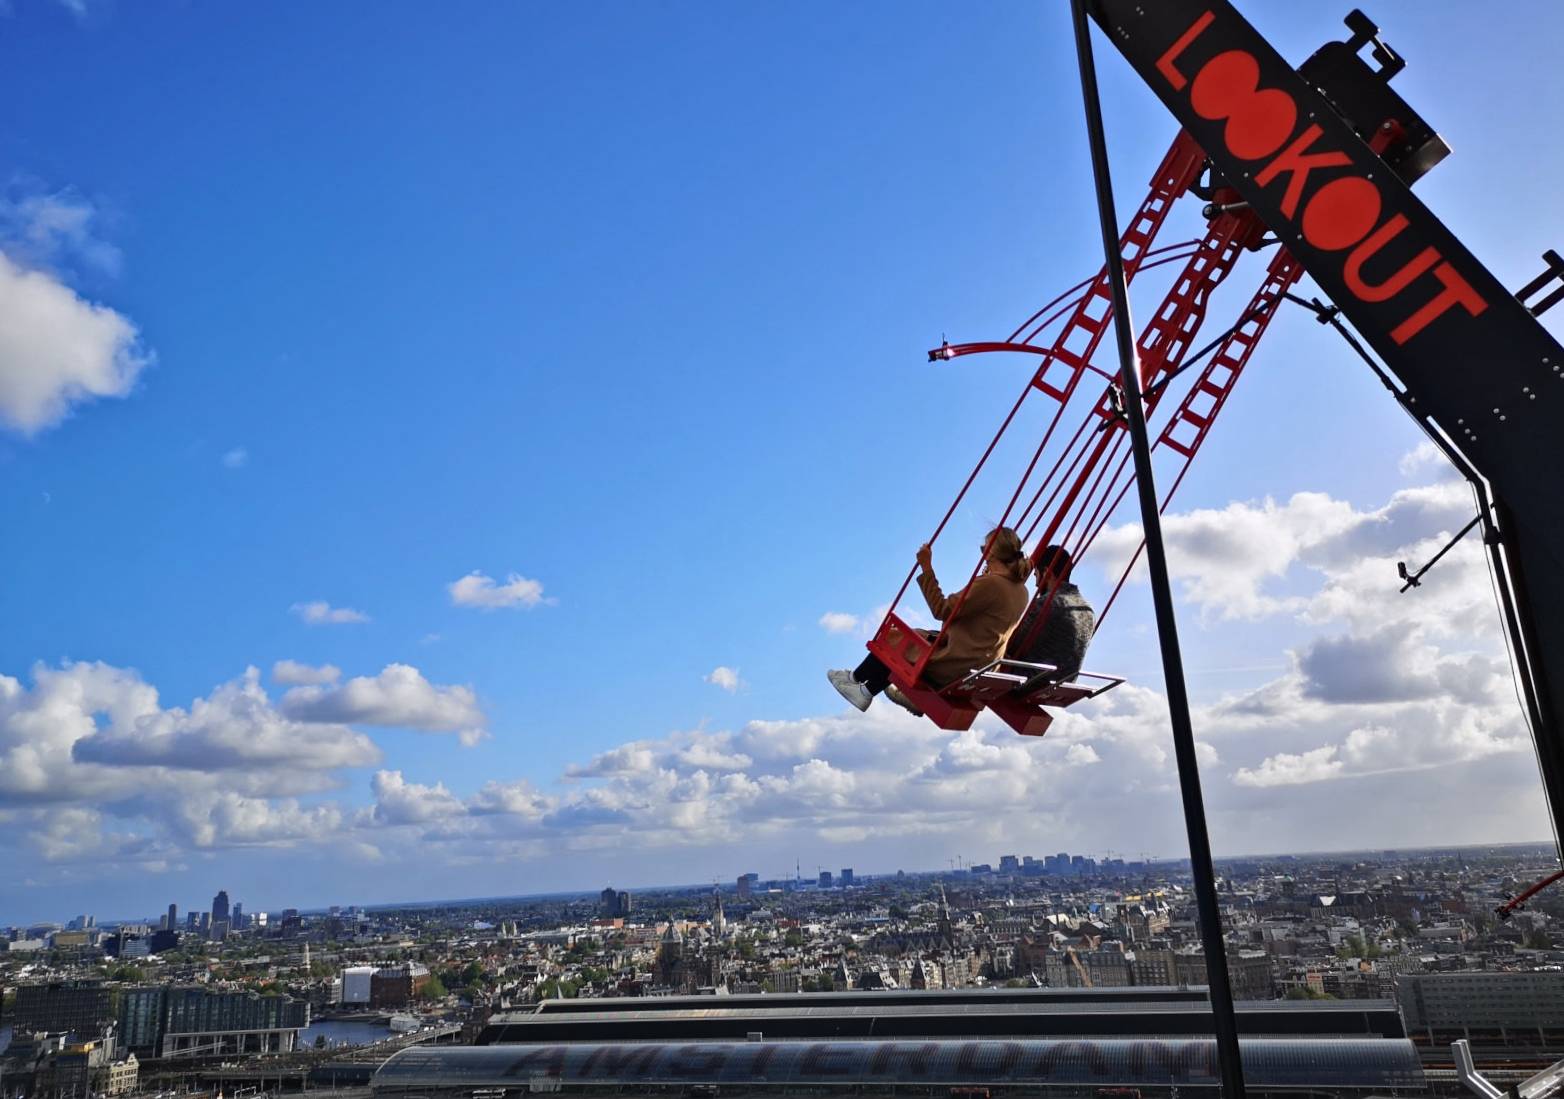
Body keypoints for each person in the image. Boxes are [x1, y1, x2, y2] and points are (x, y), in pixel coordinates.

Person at [828, 526, 1032, 714]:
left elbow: (941, 609)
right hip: (980, 663)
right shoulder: (1021, 591)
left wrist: (926, 567)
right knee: (913, 637)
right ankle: (859, 685)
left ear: (991, 553)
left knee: (897, 639)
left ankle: (860, 686)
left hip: (956, 665)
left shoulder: (991, 584)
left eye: (983, 549)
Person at [1005, 544, 1096, 684]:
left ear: (1046, 572)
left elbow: (1012, 644)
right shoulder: (1088, 610)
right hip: (1065, 681)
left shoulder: (1046, 604)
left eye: (1036, 575)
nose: (1036, 584)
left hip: (1029, 680)